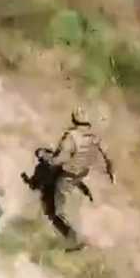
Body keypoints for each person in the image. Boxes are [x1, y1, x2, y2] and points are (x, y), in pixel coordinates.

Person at [32, 107, 115, 251]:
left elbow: (61, 159)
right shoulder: (93, 136)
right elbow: (107, 154)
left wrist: (46, 158)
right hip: (83, 171)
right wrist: (111, 171)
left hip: (67, 175)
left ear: (73, 120)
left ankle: (76, 240)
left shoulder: (71, 137)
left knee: (58, 211)